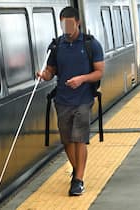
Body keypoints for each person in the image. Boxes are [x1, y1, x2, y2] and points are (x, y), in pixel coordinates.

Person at [37, 6, 104, 196]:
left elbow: (99, 72)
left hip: (83, 99)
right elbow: (51, 71)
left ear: (78, 23)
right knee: (67, 140)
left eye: (69, 23)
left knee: (79, 138)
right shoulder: (57, 46)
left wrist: (81, 79)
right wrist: (44, 75)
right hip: (63, 100)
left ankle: (78, 180)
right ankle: (76, 170)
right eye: (63, 24)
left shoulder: (92, 45)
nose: (66, 27)